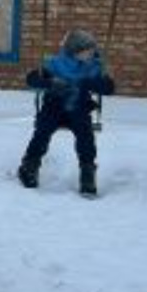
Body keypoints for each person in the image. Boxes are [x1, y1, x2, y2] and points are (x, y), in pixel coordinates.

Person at [17, 30, 116, 197]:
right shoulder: (55, 64)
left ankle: (87, 172)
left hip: (79, 109)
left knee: (85, 136)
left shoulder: (94, 67)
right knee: (43, 130)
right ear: (75, 51)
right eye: (87, 50)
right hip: (54, 107)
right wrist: (50, 83)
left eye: (92, 50)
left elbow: (109, 88)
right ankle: (29, 165)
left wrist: (92, 83)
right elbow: (32, 79)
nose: (92, 53)